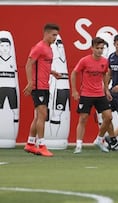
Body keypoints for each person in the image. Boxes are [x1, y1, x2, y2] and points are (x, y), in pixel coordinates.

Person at [23, 23, 61, 157]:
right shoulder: (39, 47)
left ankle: (30, 143)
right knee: (42, 115)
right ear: (46, 34)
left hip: (45, 86)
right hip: (38, 87)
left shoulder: (49, 48)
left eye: (56, 35)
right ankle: (42, 145)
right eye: (53, 35)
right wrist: (30, 83)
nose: (55, 38)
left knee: (38, 116)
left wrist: (52, 72)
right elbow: (28, 64)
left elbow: (42, 66)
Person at [71, 37, 113, 154]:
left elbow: (105, 75)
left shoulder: (105, 61)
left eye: (102, 48)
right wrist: (74, 91)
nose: (100, 50)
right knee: (83, 119)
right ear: (92, 48)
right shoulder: (84, 61)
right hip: (86, 94)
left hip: (100, 94)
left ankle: (99, 140)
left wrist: (106, 90)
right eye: (97, 48)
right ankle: (79, 145)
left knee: (108, 117)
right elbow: (74, 73)